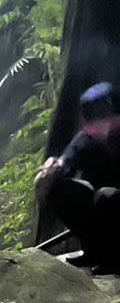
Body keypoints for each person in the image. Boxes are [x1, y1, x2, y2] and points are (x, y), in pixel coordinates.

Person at [36, 81, 120, 273]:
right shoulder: (86, 139)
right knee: (59, 188)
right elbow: (66, 162)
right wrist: (53, 168)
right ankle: (94, 252)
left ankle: (114, 258)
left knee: (106, 196)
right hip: (102, 205)